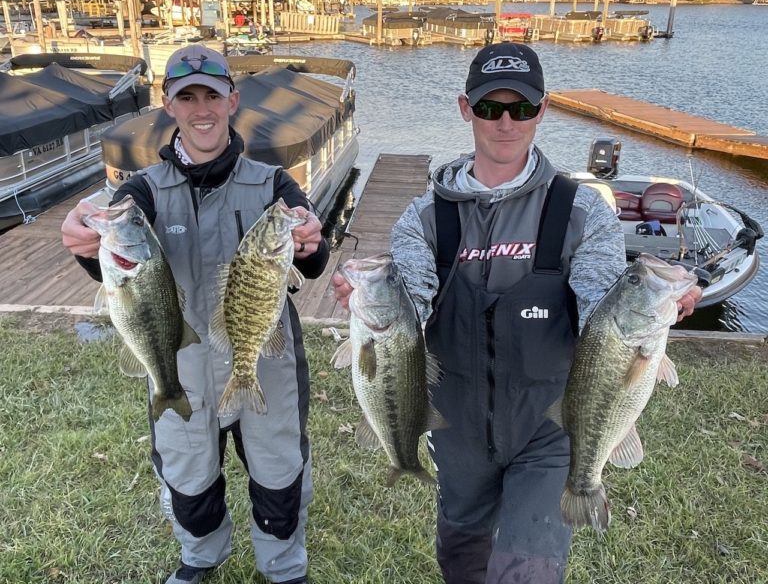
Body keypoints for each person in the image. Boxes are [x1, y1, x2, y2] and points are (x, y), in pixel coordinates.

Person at [332, 42, 702, 584]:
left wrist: (652, 307)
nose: (506, 122)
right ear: (465, 109)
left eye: (521, 108)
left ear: (542, 109)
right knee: (463, 560)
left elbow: (602, 304)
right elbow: (411, 294)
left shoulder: (580, 211)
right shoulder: (424, 218)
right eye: (489, 108)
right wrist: (372, 303)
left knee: (528, 571)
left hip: (549, 429)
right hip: (456, 429)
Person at [62, 44, 327, 584]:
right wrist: (86, 242)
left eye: (212, 95)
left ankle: (283, 567)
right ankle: (202, 556)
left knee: (279, 474)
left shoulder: (273, 184)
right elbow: (120, 265)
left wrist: (309, 241)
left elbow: (314, 258)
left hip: (264, 363)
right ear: (169, 104)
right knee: (189, 477)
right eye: (188, 97)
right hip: (182, 364)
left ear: (233, 99)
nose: (202, 108)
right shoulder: (141, 192)